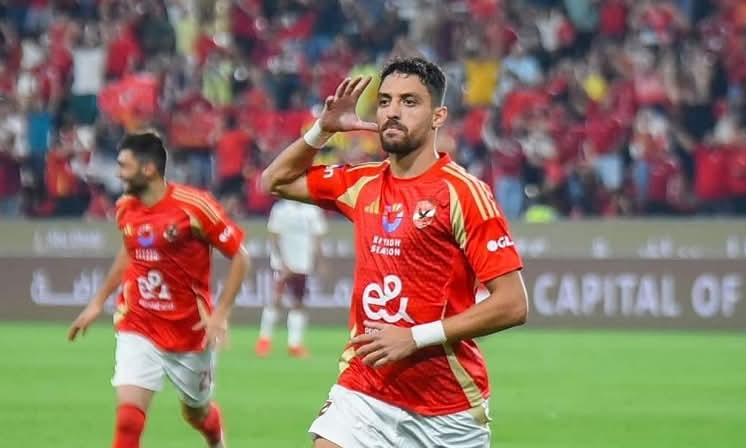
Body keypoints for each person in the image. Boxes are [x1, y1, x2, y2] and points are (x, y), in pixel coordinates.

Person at [262, 57, 528, 447]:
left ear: (438, 116)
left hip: (445, 407)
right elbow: (275, 181)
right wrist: (323, 130)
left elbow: (513, 304)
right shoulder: (363, 182)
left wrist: (415, 337)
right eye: (385, 101)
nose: (392, 111)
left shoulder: (464, 193)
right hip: (365, 388)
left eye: (409, 101)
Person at [67, 132, 250, 448]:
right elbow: (130, 252)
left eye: (124, 166)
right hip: (138, 323)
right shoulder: (126, 207)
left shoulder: (195, 206)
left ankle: (215, 436)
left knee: (197, 413)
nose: (118, 174)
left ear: (148, 169)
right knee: (128, 420)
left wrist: (221, 313)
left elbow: (241, 257)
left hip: (190, 332)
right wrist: (97, 302)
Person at [255, 198, 327, 357]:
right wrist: (283, 262)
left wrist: (321, 261)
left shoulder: (312, 210)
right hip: (281, 265)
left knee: (298, 303)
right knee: (276, 300)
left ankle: (294, 344)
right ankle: (264, 340)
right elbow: (274, 237)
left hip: (303, 264)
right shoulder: (280, 209)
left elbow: (317, 238)